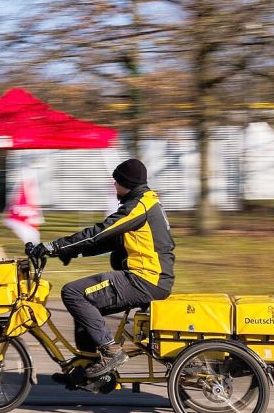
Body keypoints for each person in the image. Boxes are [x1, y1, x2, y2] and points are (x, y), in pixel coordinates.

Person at [30, 158, 175, 378]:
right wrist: (69, 251)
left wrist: (55, 245)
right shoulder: (145, 202)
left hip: (144, 279)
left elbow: (100, 232)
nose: (114, 186)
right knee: (85, 311)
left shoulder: (138, 207)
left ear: (127, 183)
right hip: (150, 278)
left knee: (73, 293)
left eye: (116, 181)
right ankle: (87, 370)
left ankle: (110, 350)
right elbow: (111, 242)